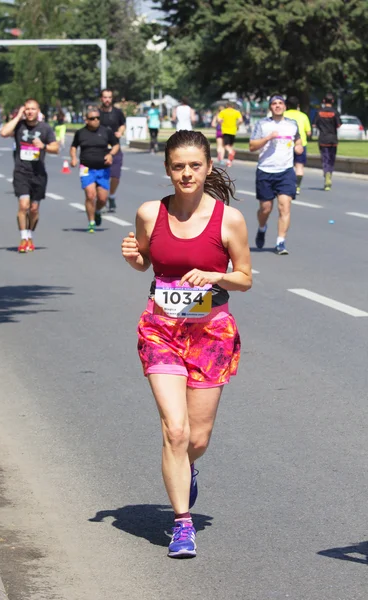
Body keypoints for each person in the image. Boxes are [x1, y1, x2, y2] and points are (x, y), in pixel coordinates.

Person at [121, 130, 252, 558]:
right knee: (174, 431)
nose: (187, 173)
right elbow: (144, 259)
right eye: (178, 166)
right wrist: (134, 257)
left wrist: (215, 276)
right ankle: (182, 525)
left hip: (211, 333)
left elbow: (245, 279)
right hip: (161, 329)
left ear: (208, 167)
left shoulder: (228, 219)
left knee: (197, 438)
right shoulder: (149, 213)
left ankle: (187, 467)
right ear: (167, 170)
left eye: (195, 165)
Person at [0, 98, 59, 252]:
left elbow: (55, 148)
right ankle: (23, 238)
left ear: (38, 111)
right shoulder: (19, 126)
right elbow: (4, 132)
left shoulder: (45, 128)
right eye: (27, 109)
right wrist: (18, 117)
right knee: (23, 205)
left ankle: (30, 234)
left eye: (33, 109)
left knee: (33, 209)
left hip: (38, 173)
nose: (29, 112)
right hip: (21, 172)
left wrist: (43, 146)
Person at [249, 94, 303, 255]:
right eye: (274, 103)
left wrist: (298, 147)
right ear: (270, 107)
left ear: (285, 106)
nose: (278, 106)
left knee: (284, 206)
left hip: (286, 171)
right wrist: (268, 137)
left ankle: (280, 242)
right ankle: (262, 227)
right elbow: (252, 146)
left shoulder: (292, 124)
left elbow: (298, 141)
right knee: (265, 209)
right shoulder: (262, 124)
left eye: (280, 103)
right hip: (265, 170)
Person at [70, 107, 120, 233]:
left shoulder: (106, 132)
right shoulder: (80, 133)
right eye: (92, 118)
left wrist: (110, 155)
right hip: (86, 168)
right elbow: (74, 146)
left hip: (103, 169)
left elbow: (116, 145)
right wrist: (73, 158)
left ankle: (97, 211)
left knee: (102, 199)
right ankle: (91, 222)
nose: (96, 120)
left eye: (98, 118)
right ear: (86, 120)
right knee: (90, 195)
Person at [99, 88, 126, 213]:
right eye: (105, 97)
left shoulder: (117, 112)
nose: (107, 100)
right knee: (101, 176)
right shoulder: (97, 114)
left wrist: (120, 132)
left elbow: (122, 124)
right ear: (101, 99)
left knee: (115, 176)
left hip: (115, 148)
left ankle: (112, 196)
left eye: (109, 97)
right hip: (100, 149)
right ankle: (101, 198)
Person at [313, 93, 341, 191]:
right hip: (333, 138)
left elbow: (314, 125)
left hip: (323, 138)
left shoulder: (319, 112)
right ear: (332, 101)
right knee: (331, 159)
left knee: (325, 158)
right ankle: (330, 174)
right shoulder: (335, 112)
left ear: (324, 101)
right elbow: (338, 125)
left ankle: (326, 174)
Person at [284, 96, 311, 194]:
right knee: (299, 166)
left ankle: (287, 184)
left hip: (286, 145)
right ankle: (297, 186)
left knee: (287, 166)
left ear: (286, 105)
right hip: (301, 144)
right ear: (298, 106)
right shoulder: (303, 116)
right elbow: (308, 132)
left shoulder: (283, 115)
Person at [217, 102, 243, 167]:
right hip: (233, 131)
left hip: (225, 130)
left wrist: (221, 124)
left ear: (226, 106)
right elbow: (240, 120)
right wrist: (237, 125)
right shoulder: (236, 112)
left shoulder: (223, 112)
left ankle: (231, 152)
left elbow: (219, 120)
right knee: (230, 145)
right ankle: (229, 161)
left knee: (226, 145)